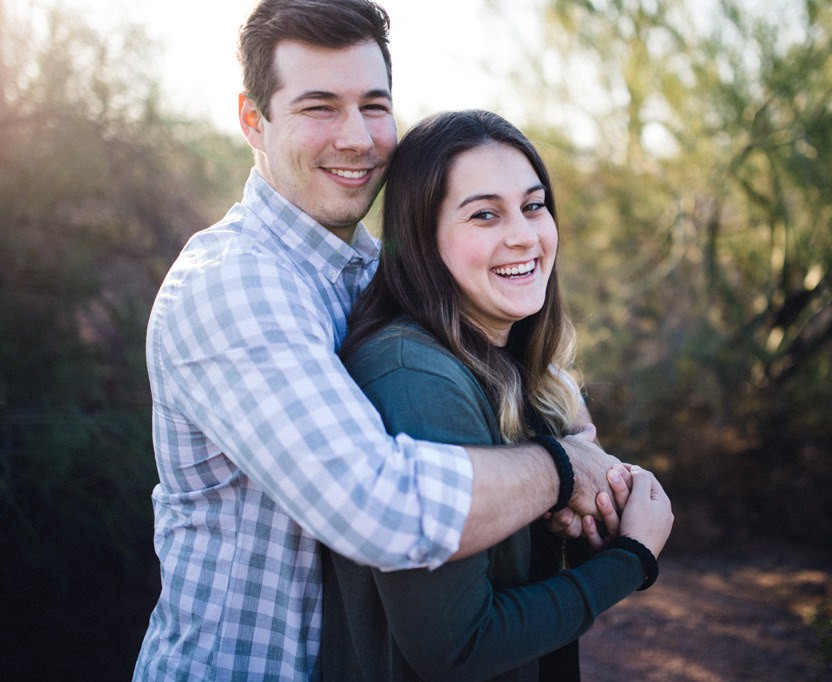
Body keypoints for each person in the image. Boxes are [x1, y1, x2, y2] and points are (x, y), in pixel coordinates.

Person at [133, 1, 627, 679]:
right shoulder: (235, 288)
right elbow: (386, 512)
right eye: (318, 107)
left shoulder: (370, 270)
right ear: (254, 120)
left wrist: (571, 434)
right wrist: (565, 470)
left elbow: (503, 363)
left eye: (373, 105)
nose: (357, 138)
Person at [319, 110, 674, 681]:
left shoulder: (507, 360)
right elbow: (458, 649)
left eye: (533, 206)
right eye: (485, 214)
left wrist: (593, 516)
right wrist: (630, 560)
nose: (523, 235)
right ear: (421, 237)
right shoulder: (415, 376)